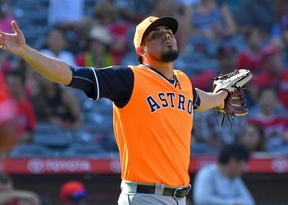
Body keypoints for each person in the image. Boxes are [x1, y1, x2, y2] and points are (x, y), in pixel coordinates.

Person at [0, 16, 235, 205]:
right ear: (141, 49)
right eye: (157, 35)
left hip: (178, 197)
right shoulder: (129, 78)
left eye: (169, 33)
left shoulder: (183, 81)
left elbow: (199, 99)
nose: (166, 36)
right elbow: (69, 74)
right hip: (143, 197)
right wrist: (24, 51)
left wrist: (221, 97)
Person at [5, 68, 36, 143]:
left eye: (15, 86)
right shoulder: (2, 105)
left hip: (20, 148)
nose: (11, 89)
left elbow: (30, 132)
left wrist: (16, 138)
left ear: (22, 86)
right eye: (9, 85)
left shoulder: (27, 106)